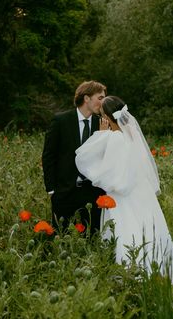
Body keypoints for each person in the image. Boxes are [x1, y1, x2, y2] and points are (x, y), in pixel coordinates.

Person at [75, 96, 173, 282]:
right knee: (146, 229)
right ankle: (159, 270)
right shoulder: (132, 136)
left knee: (126, 231)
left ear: (107, 117)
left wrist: (101, 134)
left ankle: (131, 276)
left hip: (121, 198)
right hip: (141, 195)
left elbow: (83, 157)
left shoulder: (113, 138)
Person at [42, 80, 106, 235]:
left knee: (92, 236)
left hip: (92, 192)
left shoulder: (102, 124)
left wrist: (104, 136)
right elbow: (49, 156)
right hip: (64, 190)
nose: (103, 102)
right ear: (86, 98)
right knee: (59, 234)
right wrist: (51, 189)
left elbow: (105, 157)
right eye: (100, 98)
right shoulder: (61, 121)